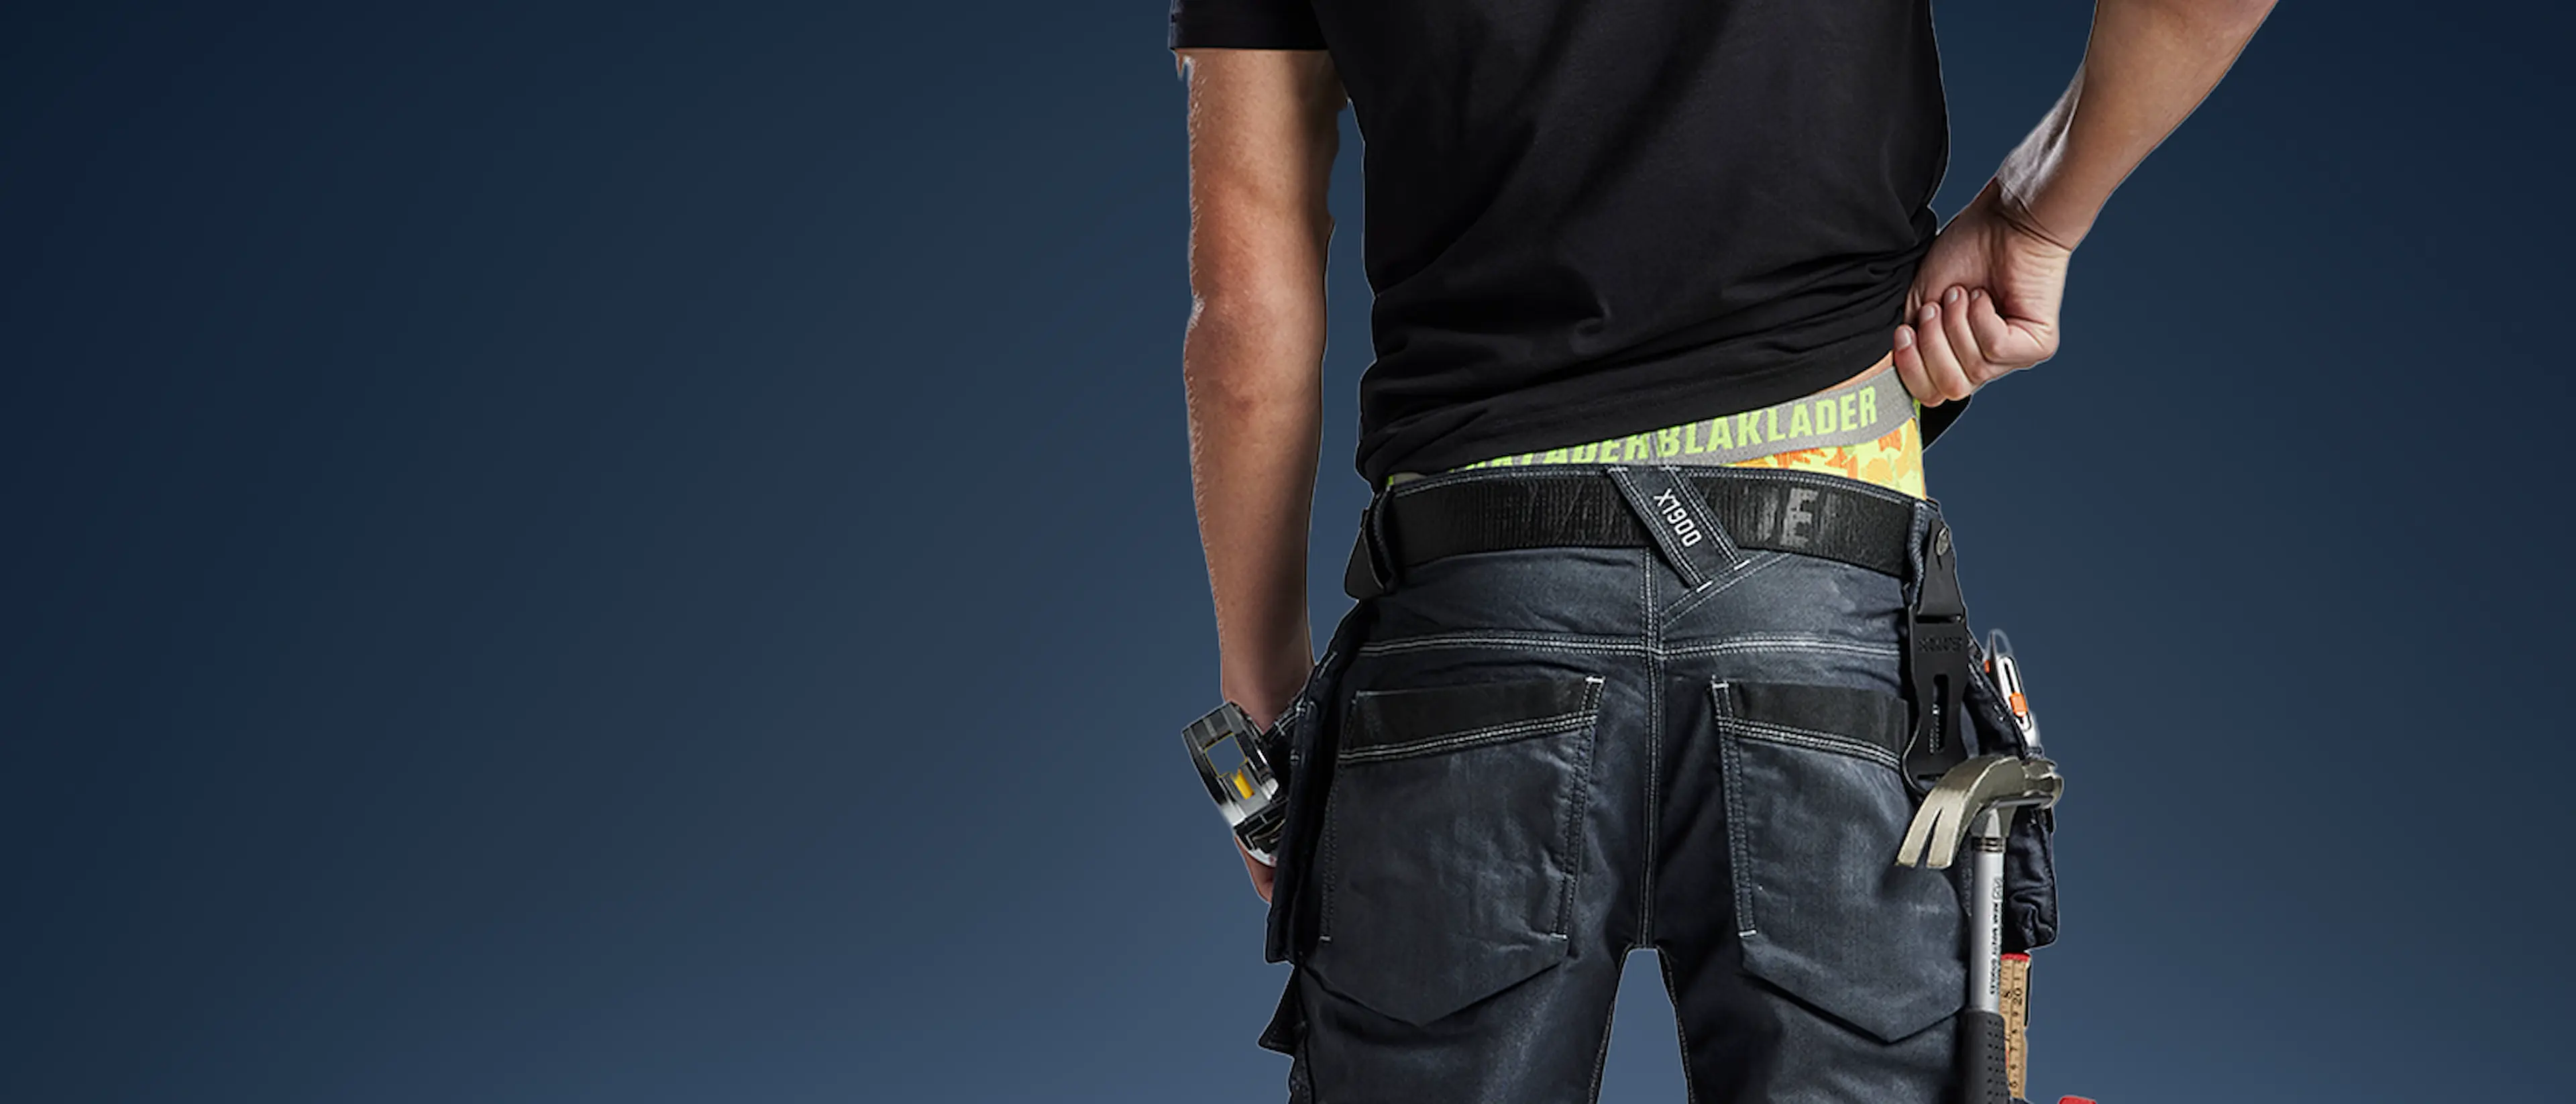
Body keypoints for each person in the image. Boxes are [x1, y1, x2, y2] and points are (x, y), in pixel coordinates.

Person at [1172, 1, 2273, 1099]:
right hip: (1826, 615)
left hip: (1469, 633)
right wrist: (2038, 213)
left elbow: (1244, 312)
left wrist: (1264, 705)